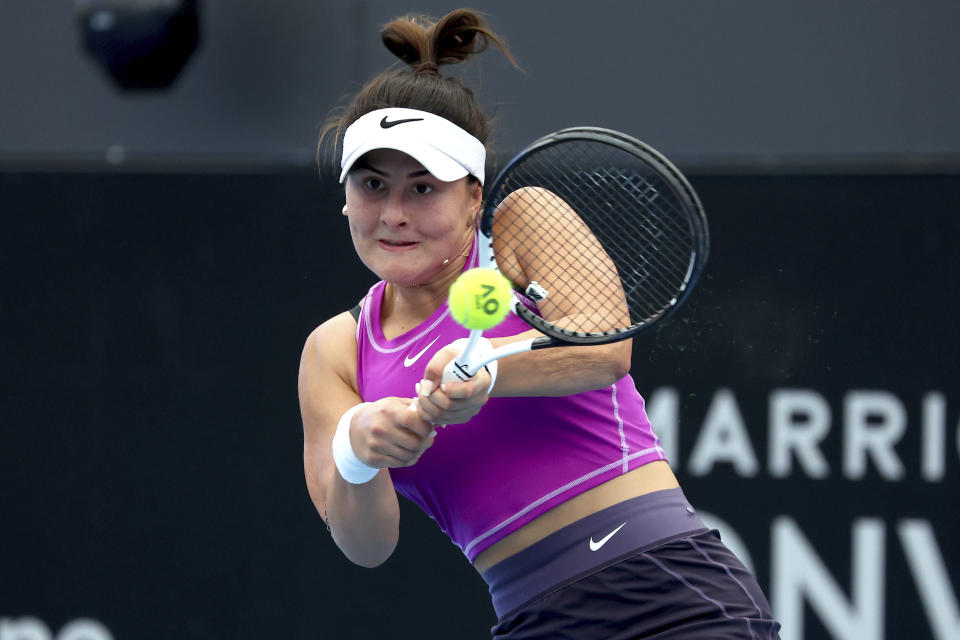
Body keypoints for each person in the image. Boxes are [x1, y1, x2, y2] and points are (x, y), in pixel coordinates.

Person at [299, 9, 781, 639]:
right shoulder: (334, 351)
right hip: (532, 621)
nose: (392, 213)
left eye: (423, 189)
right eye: (372, 183)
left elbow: (603, 346)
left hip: (665, 590)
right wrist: (359, 451)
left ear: (473, 197)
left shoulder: (521, 223)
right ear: (345, 195)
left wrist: (488, 371)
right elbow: (365, 544)